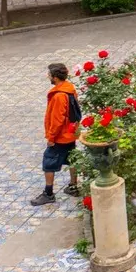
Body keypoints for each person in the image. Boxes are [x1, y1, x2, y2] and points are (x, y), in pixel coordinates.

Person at [34, 61, 82, 205]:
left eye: (49, 74)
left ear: (55, 77)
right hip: (71, 133)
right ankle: (73, 186)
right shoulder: (70, 89)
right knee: (72, 158)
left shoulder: (59, 96)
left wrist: (51, 137)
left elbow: (57, 120)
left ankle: (48, 193)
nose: (47, 76)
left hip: (60, 136)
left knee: (48, 163)